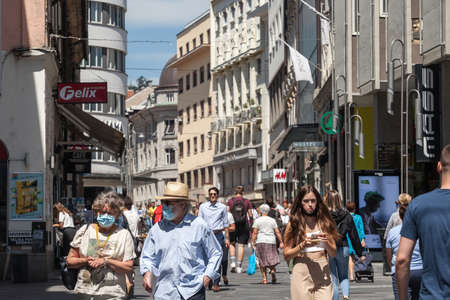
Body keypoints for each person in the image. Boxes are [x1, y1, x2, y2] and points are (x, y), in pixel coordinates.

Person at [140, 182, 222, 300]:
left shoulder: (199, 225)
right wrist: (147, 273)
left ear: (183, 205)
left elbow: (216, 252)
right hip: (165, 291)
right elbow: (147, 257)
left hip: (193, 290)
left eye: (168, 203)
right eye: (163, 203)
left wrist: (207, 276)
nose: (164, 206)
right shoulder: (156, 229)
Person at [396, 145, 450, 300]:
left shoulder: (418, 205)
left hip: (432, 295)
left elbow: (402, 259)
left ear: (439, 166)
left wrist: (403, 298)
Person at [67, 192, 136, 300]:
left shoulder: (124, 235)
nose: (106, 216)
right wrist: (85, 260)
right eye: (103, 212)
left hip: (114, 294)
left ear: (117, 215)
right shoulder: (85, 231)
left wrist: (106, 261)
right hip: (85, 292)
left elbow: (128, 266)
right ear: (96, 212)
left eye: (110, 213)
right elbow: (70, 261)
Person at [284, 185, 339, 300]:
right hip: (301, 268)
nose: (310, 204)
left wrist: (325, 243)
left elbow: (333, 253)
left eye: (313, 201)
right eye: (306, 201)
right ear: (300, 203)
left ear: (318, 202)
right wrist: (302, 245)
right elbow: (287, 254)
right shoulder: (294, 224)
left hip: (322, 268)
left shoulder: (325, 223)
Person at [324, 190, 364, 300]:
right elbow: (354, 235)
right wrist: (360, 252)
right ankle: (346, 296)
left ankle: (335, 298)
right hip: (344, 246)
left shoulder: (324, 215)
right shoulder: (346, 215)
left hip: (329, 246)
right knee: (344, 275)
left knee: (333, 276)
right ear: (339, 200)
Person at [386, 193, 422, 300]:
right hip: (419, 269)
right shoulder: (420, 229)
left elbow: (389, 255)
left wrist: (393, 266)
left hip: (399, 270)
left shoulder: (393, 228)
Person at [198, 187, 230, 292]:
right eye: (211, 194)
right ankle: (210, 278)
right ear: (208, 195)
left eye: (215, 194)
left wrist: (227, 239)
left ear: (217, 195)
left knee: (219, 259)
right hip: (206, 235)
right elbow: (199, 222)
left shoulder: (222, 207)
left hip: (218, 234)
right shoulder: (203, 207)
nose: (213, 196)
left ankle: (216, 283)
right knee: (207, 259)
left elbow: (226, 224)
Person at [251, 204, 284, 284]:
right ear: (268, 211)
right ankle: (272, 270)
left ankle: (265, 278)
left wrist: (252, 242)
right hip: (271, 241)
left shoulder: (257, 220)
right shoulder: (272, 220)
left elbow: (255, 233)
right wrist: (281, 242)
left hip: (261, 241)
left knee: (261, 259)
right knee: (271, 258)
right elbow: (277, 232)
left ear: (261, 211)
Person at [227, 185, 253, 273]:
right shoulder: (246, 201)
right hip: (243, 224)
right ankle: (239, 267)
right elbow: (250, 215)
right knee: (241, 245)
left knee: (232, 243)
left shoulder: (230, 201)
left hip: (232, 224)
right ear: (243, 192)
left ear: (235, 192)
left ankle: (233, 263)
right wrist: (251, 223)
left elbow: (227, 213)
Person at [345, 202, 366, 282]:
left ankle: (351, 275)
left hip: (348, 238)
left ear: (347, 209)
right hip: (357, 239)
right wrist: (363, 239)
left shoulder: (346, 217)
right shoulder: (358, 217)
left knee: (351, 257)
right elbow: (361, 230)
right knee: (358, 256)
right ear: (354, 209)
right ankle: (353, 273)